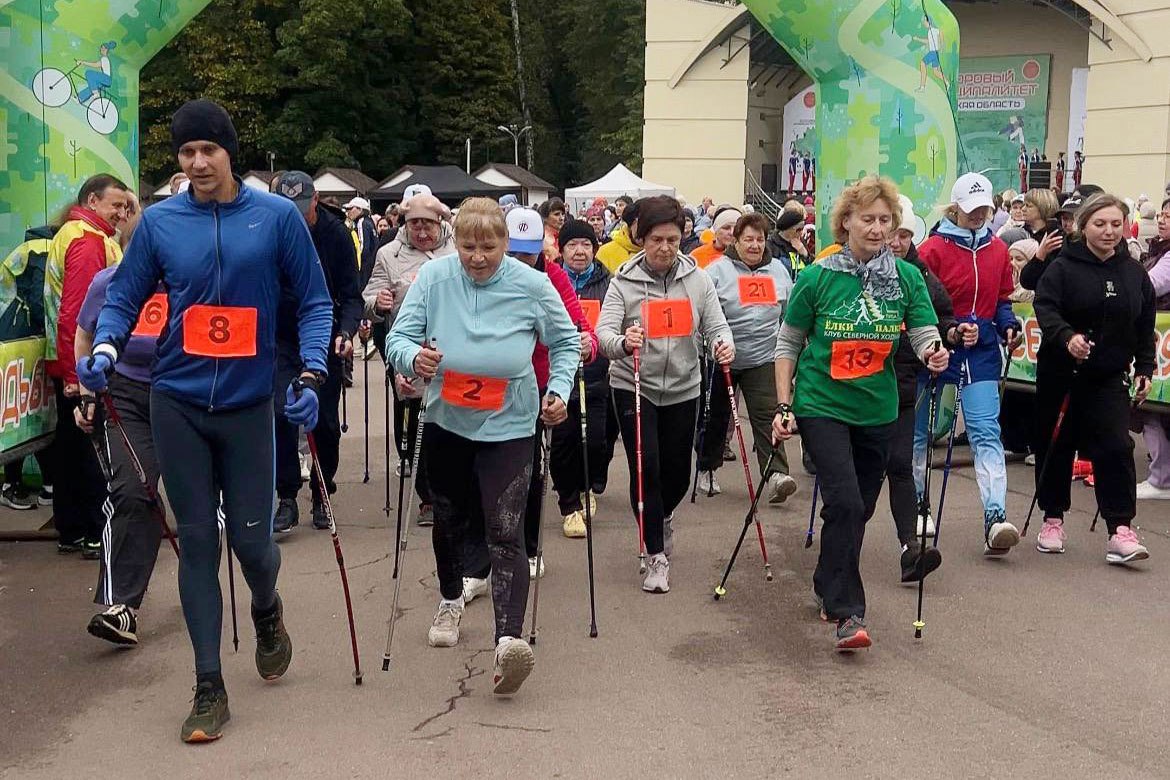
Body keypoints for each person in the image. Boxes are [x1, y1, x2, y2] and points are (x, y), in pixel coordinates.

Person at [79, 99, 333, 742]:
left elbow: (314, 301)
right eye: (186, 152)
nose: (195, 162)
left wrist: (309, 374)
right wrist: (106, 345)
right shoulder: (162, 223)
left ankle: (268, 610)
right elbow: (125, 295)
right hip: (178, 400)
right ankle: (208, 685)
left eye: (207, 151)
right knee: (196, 541)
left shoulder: (275, 217)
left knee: (252, 545)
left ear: (228, 153)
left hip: (249, 405)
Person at [385, 197, 577, 696]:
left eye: (488, 247)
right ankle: (450, 597)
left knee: (504, 526)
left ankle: (508, 640)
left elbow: (566, 342)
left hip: (510, 422)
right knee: (448, 517)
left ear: (505, 244)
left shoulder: (533, 285)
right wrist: (414, 358)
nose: (477, 257)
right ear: (456, 242)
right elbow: (398, 338)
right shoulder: (434, 279)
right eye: (468, 246)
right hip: (447, 420)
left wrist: (559, 391)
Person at [771, 176, 948, 651]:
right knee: (846, 503)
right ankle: (849, 613)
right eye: (866, 219)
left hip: (878, 408)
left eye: (885, 220)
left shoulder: (907, 278)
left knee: (857, 509)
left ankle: (827, 580)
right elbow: (788, 342)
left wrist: (934, 351)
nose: (876, 228)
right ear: (845, 222)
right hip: (821, 403)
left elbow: (923, 332)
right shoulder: (817, 277)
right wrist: (784, 405)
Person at [595, 195, 734, 594]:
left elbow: (717, 325)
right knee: (647, 466)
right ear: (642, 239)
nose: (665, 248)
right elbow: (603, 335)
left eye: (672, 239)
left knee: (677, 473)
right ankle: (655, 554)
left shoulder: (698, 279)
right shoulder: (623, 281)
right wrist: (624, 341)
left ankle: (662, 515)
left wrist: (724, 344)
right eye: (656, 239)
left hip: (683, 385)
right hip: (633, 385)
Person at [460, 210, 597, 596]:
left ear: (541, 250)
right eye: (515, 253)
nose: (522, 261)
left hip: (535, 387)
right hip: (484, 387)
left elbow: (576, 327)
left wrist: (588, 344)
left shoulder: (551, 278)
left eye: (529, 253)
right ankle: (477, 564)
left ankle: (531, 546)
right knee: (478, 474)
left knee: (531, 472)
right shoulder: (483, 276)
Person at [1031, 194, 1155, 562]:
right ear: (1083, 226)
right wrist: (1067, 337)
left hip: (1109, 375)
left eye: (1116, 224)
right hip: (1062, 373)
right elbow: (1045, 306)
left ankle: (1120, 528)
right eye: (1100, 224)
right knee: (1056, 445)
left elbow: (1144, 325)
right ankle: (1052, 519)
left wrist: (1145, 367)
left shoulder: (1134, 273)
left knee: (1117, 446)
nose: (1109, 231)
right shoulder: (1063, 267)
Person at [916, 173, 1023, 555]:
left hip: (981, 355)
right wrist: (948, 331)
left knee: (984, 432)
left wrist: (1008, 325)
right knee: (923, 433)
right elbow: (920, 304)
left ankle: (995, 517)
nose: (979, 215)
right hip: (938, 352)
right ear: (955, 208)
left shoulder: (997, 251)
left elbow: (1003, 300)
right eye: (971, 209)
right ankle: (918, 504)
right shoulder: (932, 249)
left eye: (985, 209)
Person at [75, 260, 164, 646]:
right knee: (132, 489)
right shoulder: (110, 280)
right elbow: (84, 334)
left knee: (203, 502)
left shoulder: (198, 273)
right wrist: (87, 391)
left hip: (187, 391)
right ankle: (122, 606)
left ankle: (216, 594)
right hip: (126, 391)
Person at [271, 172, 362, 532]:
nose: (292, 216)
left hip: (324, 332)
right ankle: (287, 494)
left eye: (299, 208)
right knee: (281, 414)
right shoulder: (268, 230)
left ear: (315, 199)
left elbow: (351, 295)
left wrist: (347, 331)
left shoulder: (335, 233)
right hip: (280, 336)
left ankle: (323, 491)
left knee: (323, 421)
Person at [44, 173, 129, 557]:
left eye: (126, 207)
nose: (121, 213)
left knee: (69, 448)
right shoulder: (89, 241)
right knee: (91, 450)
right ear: (93, 201)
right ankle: (95, 531)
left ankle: (72, 529)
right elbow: (77, 317)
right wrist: (78, 378)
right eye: (116, 205)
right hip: (86, 367)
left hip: (71, 363)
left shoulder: (72, 233)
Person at [363, 193, 456, 521]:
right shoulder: (389, 254)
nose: (421, 231)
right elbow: (368, 296)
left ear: (439, 223)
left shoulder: (455, 249)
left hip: (451, 346)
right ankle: (426, 495)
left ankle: (449, 489)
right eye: (415, 224)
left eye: (427, 224)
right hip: (406, 347)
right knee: (414, 419)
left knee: (447, 418)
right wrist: (378, 302)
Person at [698, 213, 795, 502]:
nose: (754, 246)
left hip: (764, 355)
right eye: (748, 240)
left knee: (769, 414)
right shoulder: (716, 271)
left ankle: (776, 474)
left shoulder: (778, 270)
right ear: (736, 241)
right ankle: (708, 467)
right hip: (722, 357)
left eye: (760, 240)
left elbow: (789, 312)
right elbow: (704, 316)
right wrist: (711, 344)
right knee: (716, 417)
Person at [884, 195, 954, 582]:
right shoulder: (846, 270)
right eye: (892, 234)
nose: (896, 242)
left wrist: (947, 338)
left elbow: (940, 317)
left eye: (904, 235)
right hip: (855, 388)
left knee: (899, 465)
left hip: (904, 381)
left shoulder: (918, 275)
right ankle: (842, 549)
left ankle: (910, 548)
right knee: (859, 481)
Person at [548, 218, 616, 537]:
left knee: (597, 441)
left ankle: (590, 485)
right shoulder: (549, 282)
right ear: (561, 250)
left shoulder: (608, 282)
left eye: (586, 245)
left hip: (597, 374)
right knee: (563, 443)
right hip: (559, 376)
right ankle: (570, 505)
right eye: (572, 245)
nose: (579, 251)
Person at [1136, 197, 1170, 500]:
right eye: (1161, 214)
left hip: (1163, 340)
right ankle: (1160, 474)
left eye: (1169, 216)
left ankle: (1162, 478)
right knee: (1152, 409)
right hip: (1158, 340)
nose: (1162, 219)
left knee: (1154, 406)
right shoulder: (1157, 249)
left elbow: (1151, 285)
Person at [766, 210, 812, 281]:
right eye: (798, 229)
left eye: (802, 229)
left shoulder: (801, 242)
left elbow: (811, 268)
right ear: (788, 229)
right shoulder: (771, 245)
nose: (801, 233)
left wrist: (804, 253)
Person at [597, 200, 640, 273]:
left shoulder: (660, 252)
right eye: (617, 205)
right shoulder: (605, 252)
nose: (618, 208)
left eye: (621, 205)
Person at [538, 197, 567, 261]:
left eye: (563, 214)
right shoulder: (542, 239)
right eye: (556, 214)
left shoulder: (563, 236)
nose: (561, 218)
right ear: (545, 217)